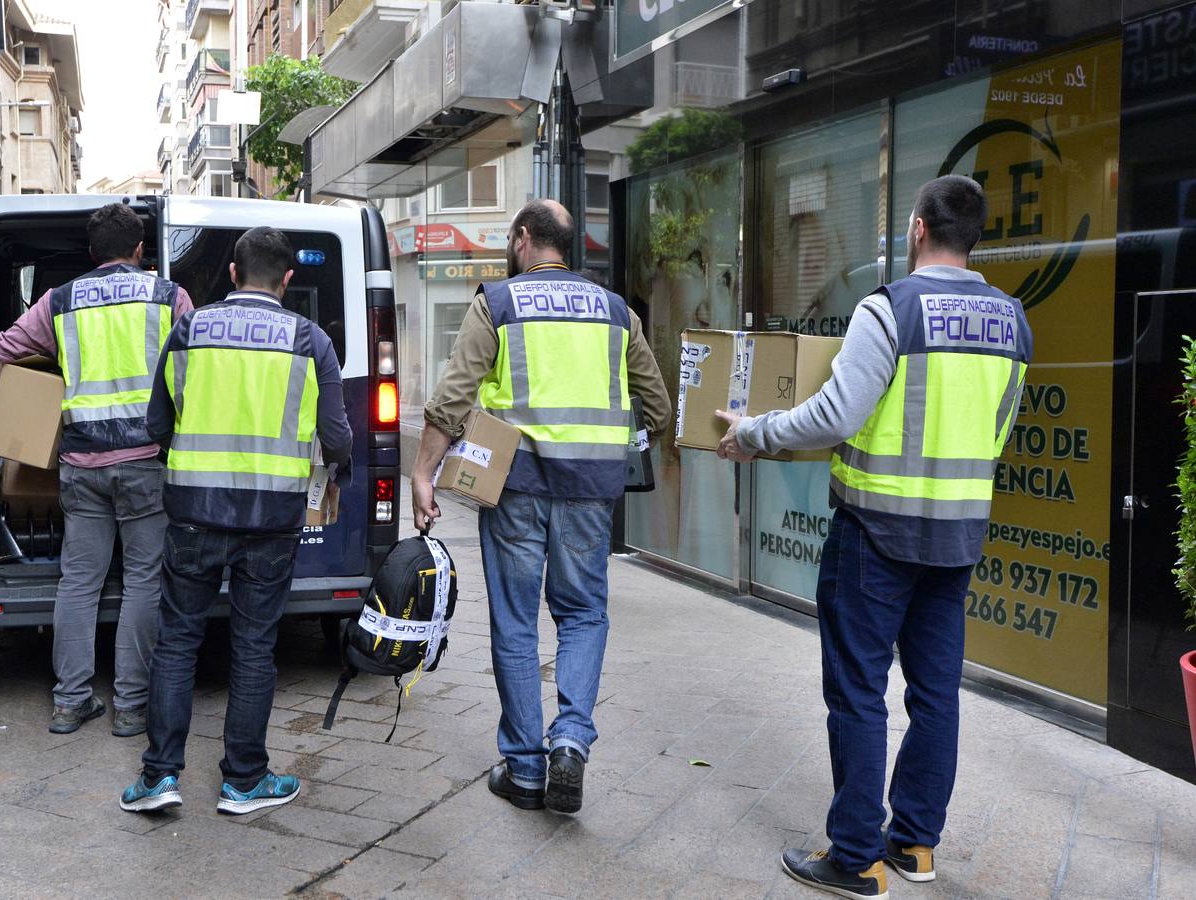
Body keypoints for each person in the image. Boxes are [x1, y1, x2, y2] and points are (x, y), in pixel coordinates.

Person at [716, 176, 1032, 900]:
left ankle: (856, 856)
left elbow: (834, 415)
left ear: (918, 228)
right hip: (956, 538)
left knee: (858, 692)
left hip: (876, 534)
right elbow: (997, 429)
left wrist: (755, 435)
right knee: (935, 693)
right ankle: (916, 845)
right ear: (972, 236)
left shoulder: (889, 309)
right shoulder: (1014, 321)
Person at [411, 200, 671, 814]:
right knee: (582, 616)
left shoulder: (496, 303)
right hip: (589, 493)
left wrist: (424, 473)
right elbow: (657, 409)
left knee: (516, 621)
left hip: (515, 489)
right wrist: (621, 447)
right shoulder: (615, 312)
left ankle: (525, 769)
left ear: (524, 239)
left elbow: (453, 397)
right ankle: (572, 742)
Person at [119, 227, 351, 815]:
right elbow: (337, 437)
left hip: (193, 515)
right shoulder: (309, 340)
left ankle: (159, 778)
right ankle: (244, 780)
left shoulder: (190, 330)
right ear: (288, 280)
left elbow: (155, 425)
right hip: (271, 521)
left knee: (177, 643)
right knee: (254, 648)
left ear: (231, 272)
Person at [0, 202, 194, 738]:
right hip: (148, 463)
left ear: (91, 252)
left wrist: (23, 420)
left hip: (80, 465)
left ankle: (70, 702)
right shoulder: (168, 296)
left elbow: (1, 354)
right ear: (140, 250)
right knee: (146, 581)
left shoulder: (60, 301)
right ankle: (129, 707)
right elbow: (196, 374)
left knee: (79, 581)